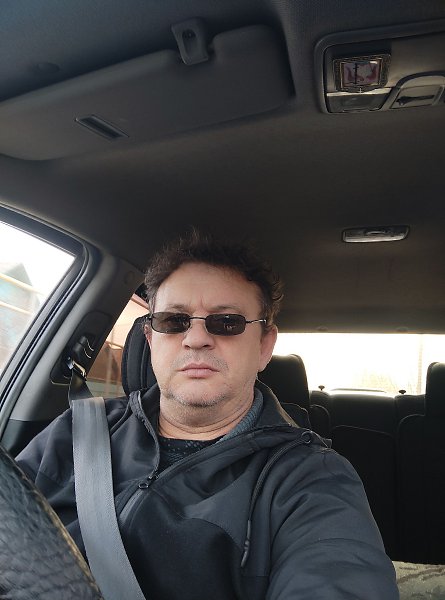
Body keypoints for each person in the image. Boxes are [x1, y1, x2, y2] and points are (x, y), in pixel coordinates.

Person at [16, 231, 399, 599]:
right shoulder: (79, 430)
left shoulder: (310, 479)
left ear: (264, 346)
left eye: (227, 322)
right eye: (173, 321)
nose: (196, 338)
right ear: (151, 339)